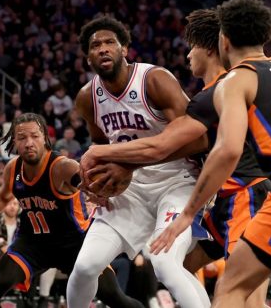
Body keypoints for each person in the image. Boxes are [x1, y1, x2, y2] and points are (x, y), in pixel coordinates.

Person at [80, 9, 271, 307]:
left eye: (191, 48)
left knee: (241, 295)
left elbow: (160, 147)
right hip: (222, 200)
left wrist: (101, 153)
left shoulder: (220, 91)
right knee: (176, 267)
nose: (187, 57)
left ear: (212, 48)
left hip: (246, 193)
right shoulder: (226, 87)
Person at [149, 0, 271, 307]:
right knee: (184, 270)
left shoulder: (236, 79)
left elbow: (227, 151)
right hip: (232, 202)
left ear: (223, 40)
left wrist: (185, 215)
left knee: (232, 290)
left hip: (255, 192)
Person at [67, 16, 210, 308]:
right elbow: (102, 147)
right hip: (130, 188)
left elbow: (197, 140)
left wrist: (132, 163)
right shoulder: (87, 98)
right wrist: (97, 184)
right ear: (87, 56)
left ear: (124, 49)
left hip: (177, 181)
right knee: (85, 266)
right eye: (95, 45)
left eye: (110, 42)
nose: (103, 49)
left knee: (165, 262)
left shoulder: (155, 79)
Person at [0, 113, 144, 308]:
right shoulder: (13, 168)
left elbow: (83, 181)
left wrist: (95, 191)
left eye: (34, 136)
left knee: (113, 296)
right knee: (0, 280)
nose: (29, 143)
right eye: (22, 138)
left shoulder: (61, 166)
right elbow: (3, 196)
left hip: (74, 243)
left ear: (45, 137)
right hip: (33, 243)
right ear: (14, 142)